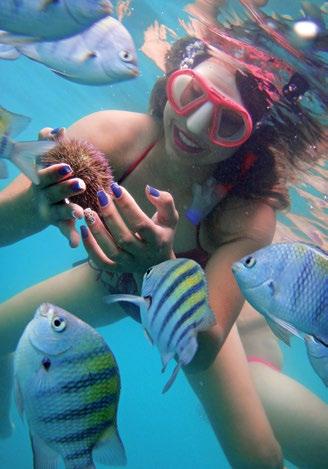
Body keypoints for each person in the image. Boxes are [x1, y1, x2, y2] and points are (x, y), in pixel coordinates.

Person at [0, 28, 327, 468]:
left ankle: (261, 371)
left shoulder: (246, 213)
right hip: (115, 283)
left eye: (228, 121)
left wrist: (166, 269)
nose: (194, 125)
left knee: (259, 457)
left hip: (215, 321)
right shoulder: (112, 135)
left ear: (250, 137)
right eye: (192, 93)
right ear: (175, 79)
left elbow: (202, 348)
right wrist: (38, 204)